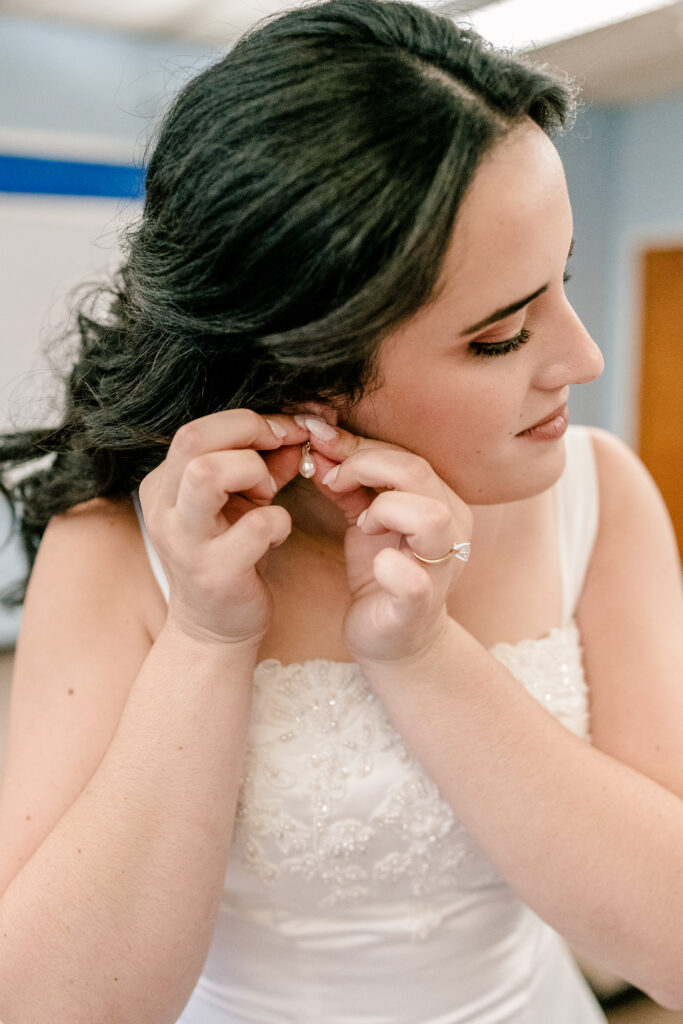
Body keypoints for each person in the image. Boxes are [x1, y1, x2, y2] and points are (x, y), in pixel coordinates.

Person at [0, 1, 682, 1021]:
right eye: (500, 334)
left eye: (564, 281)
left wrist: (425, 658)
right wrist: (202, 639)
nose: (583, 359)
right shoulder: (110, 548)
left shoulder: (603, 493)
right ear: (305, 375)